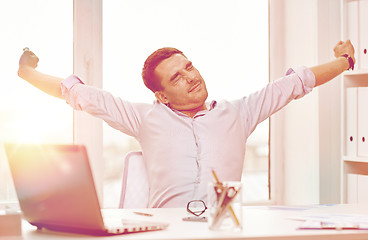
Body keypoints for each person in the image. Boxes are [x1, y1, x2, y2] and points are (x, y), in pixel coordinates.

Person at [17, 41, 355, 208]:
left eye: (189, 67)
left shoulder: (239, 112)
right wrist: (27, 73)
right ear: (162, 96)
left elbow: (296, 83)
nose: (191, 77)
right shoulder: (146, 117)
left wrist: (344, 60)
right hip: (165, 232)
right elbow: (78, 94)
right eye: (176, 77)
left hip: (224, 230)